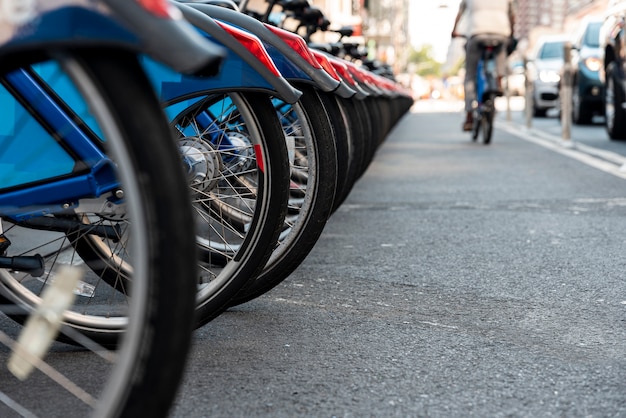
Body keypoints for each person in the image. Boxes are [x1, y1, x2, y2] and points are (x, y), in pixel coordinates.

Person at [451, 0, 515, 131]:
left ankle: (469, 115)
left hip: (477, 34)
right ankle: (498, 81)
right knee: (501, 54)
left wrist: (454, 31)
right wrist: (511, 33)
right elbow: (512, 16)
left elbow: (460, 13)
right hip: (501, 34)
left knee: (470, 74)